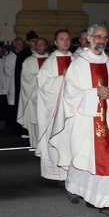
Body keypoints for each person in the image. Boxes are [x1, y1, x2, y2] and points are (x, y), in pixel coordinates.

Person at [49, 24, 109, 217]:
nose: (102, 40)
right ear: (90, 38)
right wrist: (94, 93)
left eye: (105, 37)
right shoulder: (78, 64)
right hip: (85, 120)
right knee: (84, 157)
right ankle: (74, 185)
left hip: (108, 119)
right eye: (98, 36)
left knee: (108, 158)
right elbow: (70, 93)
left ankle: (105, 201)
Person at [36, 29, 72, 182]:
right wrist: (62, 80)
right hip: (55, 110)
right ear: (56, 43)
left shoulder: (77, 60)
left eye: (67, 39)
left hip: (72, 109)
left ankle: (74, 172)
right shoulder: (50, 62)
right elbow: (43, 84)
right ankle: (57, 173)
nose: (65, 41)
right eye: (61, 39)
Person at [17, 37, 49, 149]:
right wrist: (40, 76)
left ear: (46, 46)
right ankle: (36, 144)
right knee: (36, 121)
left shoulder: (51, 59)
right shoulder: (29, 60)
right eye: (38, 44)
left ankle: (48, 145)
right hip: (34, 95)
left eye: (42, 44)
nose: (40, 46)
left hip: (49, 97)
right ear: (35, 46)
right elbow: (25, 77)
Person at [11, 31, 37, 136]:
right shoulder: (23, 54)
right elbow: (19, 73)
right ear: (28, 42)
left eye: (36, 41)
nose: (35, 43)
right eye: (33, 41)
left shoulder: (42, 54)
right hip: (26, 86)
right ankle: (24, 129)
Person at [3, 37, 25, 131]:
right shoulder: (10, 57)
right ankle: (11, 125)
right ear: (14, 44)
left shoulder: (24, 55)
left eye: (21, 43)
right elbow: (7, 70)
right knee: (12, 106)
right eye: (19, 43)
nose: (21, 45)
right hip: (13, 83)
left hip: (22, 83)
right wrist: (18, 72)